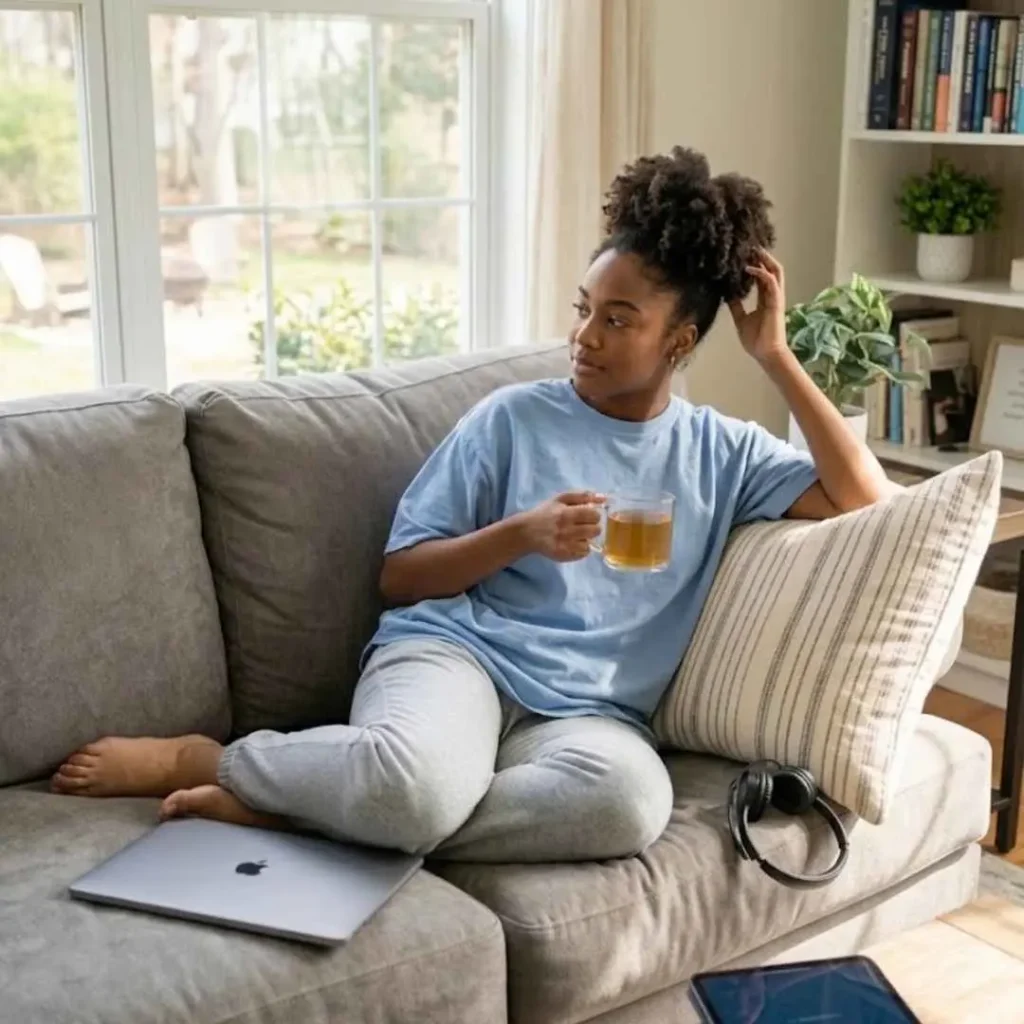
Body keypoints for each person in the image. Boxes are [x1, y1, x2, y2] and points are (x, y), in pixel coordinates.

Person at [51, 147, 891, 864]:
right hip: (460, 658)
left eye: (618, 320)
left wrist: (774, 356)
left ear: (678, 341)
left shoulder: (722, 450)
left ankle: (314, 811)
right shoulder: (512, 418)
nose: (585, 336)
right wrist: (521, 534)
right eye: (584, 310)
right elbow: (401, 577)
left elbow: (865, 500)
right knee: (414, 787)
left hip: (589, 717)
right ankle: (216, 761)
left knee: (630, 807)